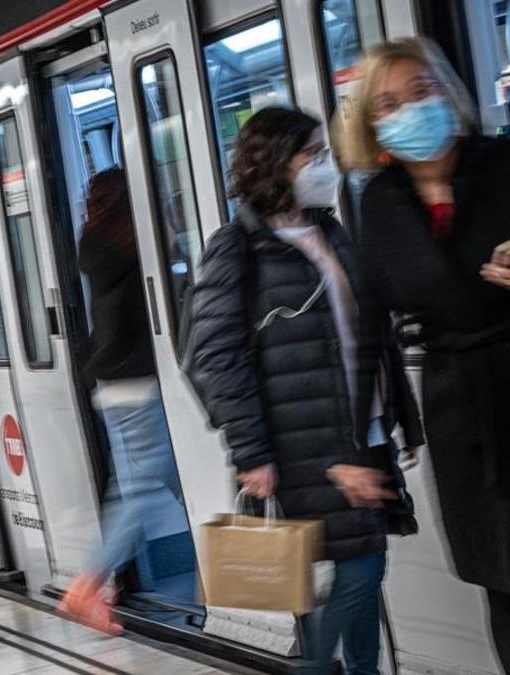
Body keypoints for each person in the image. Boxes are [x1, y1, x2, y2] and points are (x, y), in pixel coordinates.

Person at [185, 107, 424, 674]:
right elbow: (213, 355)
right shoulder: (237, 248)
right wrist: (252, 453)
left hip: (361, 429)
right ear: (274, 163)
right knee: (354, 569)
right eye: (311, 154)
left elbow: (371, 330)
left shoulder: (331, 230)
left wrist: (402, 419)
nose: (325, 164)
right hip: (300, 441)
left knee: (366, 563)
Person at [337, 38, 510, 671]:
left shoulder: (500, 163)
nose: (410, 110)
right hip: (459, 407)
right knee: (500, 578)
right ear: (371, 122)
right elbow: (367, 329)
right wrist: (360, 448)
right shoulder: (375, 202)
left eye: (421, 92)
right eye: (389, 103)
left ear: (447, 93)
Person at [59, 169, 183, 635]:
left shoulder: (99, 245)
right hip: (137, 381)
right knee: (146, 488)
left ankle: (100, 587)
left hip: (115, 383)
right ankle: (89, 583)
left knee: (143, 485)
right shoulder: (139, 246)